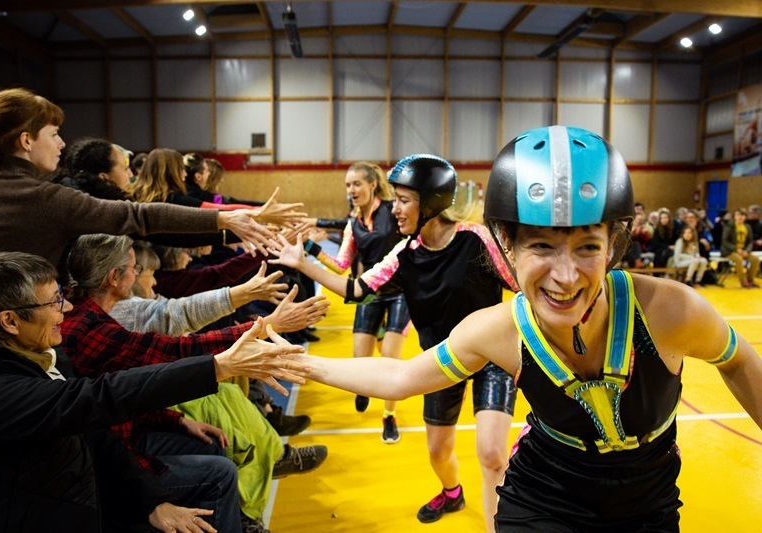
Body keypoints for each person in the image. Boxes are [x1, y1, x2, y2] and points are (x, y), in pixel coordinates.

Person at [271, 126, 762, 531]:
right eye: (542, 247)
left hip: (648, 504)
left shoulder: (669, 310)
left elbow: (738, 359)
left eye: (588, 247)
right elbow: (398, 377)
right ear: (507, 244)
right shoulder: (494, 328)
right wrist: (295, 360)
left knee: (493, 451)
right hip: (542, 497)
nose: (566, 277)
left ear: (614, 244)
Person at [0, 251, 310, 533]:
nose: (65, 309)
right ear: (10, 322)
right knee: (218, 464)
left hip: (84, 496)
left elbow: (95, 432)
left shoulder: (44, 355)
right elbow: (103, 397)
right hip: (63, 510)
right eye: (54, 302)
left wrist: (150, 500)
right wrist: (219, 366)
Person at [271, 155, 518, 533]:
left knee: (491, 454)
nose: (395, 208)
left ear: (431, 203)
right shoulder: (404, 255)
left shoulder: (475, 239)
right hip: (443, 359)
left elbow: (520, 285)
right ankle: (452, 492)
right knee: (438, 452)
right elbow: (355, 290)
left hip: (493, 358)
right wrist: (303, 262)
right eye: (395, 200)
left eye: (404, 200)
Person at [62, 234, 329, 532]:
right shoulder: (91, 327)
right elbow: (169, 347)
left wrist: (176, 422)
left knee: (214, 437)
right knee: (220, 465)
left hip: (129, 433)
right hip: (115, 455)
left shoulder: (91, 315)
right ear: (114, 277)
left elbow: (122, 394)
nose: (140, 276)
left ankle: (260, 478)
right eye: (136, 269)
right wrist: (266, 326)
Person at [0, 88, 302, 267]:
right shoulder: (48, 199)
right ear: (26, 141)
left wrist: (232, 220)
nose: (60, 143)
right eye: (53, 134)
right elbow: (141, 217)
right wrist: (227, 220)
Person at [304, 162, 410, 442]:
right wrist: (310, 247)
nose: (351, 190)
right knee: (360, 358)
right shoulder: (353, 224)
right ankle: (364, 385)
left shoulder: (393, 211)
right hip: (369, 293)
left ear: (372, 185)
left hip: (401, 293)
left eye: (357, 184)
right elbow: (341, 265)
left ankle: (389, 417)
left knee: (391, 359)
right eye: (348, 185)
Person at [721, 208, 761, 288]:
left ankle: (750, 280)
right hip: (730, 251)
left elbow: (750, 241)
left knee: (755, 259)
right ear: (734, 216)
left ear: (745, 217)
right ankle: (743, 281)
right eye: (738, 215)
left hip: (743, 250)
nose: (740, 217)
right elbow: (725, 241)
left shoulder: (747, 227)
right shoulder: (730, 226)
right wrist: (736, 249)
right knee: (739, 259)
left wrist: (747, 251)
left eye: (742, 215)